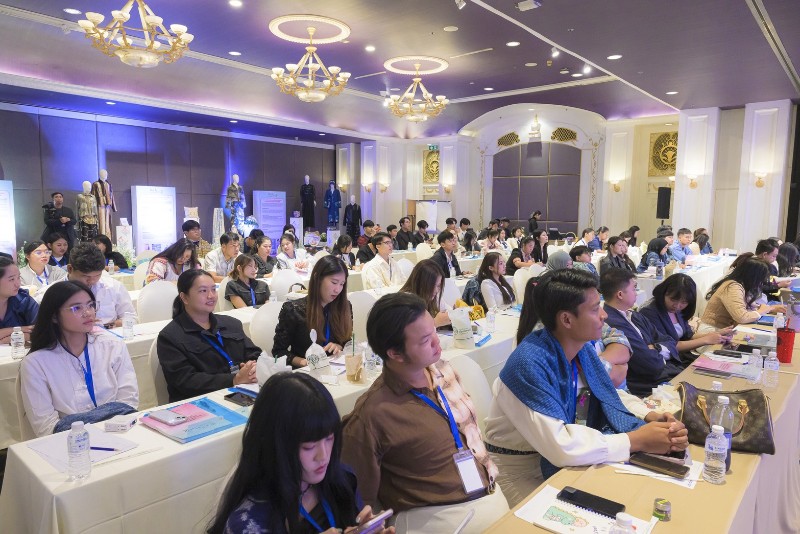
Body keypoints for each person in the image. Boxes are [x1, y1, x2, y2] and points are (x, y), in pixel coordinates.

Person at [483, 270, 687, 506]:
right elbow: (560, 446)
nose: (603, 315)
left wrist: (648, 415)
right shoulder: (528, 364)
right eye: (594, 309)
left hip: (565, 455)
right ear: (567, 320)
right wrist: (635, 440)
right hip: (522, 469)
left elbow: (605, 393)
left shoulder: (581, 350)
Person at [342, 292, 508, 532]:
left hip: (489, 495)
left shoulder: (442, 371)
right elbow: (360, 507)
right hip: (439, 518)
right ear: (395, 353)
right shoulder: (372, 415)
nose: (437, 342)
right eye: (425, 340)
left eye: (434, 331)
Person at [207, 373, 390, 534]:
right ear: (276, 447)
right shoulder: (248, 523)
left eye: (329, 439)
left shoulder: (342, 480)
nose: (323, 456)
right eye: (309, 447)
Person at [20, 280, 138, 437]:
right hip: (68, 443)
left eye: (90, 305)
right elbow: (45, 426)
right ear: (54, 316)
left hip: (120, 432)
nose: (88, 313)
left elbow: (128, 400)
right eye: (76, 308)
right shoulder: (35, 363)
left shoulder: (113, 346)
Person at [157, 269, 260, 402]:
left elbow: (254, 353)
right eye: (203, 291)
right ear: (184, 297)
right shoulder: (170, 337)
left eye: (213, 289)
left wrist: (253, 367)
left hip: (243, 392)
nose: (211, 296)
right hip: (200, 402)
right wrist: (234, 379)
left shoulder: (231, 324)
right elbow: (185, 380)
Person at [601, 269, 682, 396]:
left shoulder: (633, 315)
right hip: (649, 385)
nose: (636, 293)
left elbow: (669, 340)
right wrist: (661, 354)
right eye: (634, 289)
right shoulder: (614, 323)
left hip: (666, 373)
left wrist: (656, 347)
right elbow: (651, 365)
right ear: (620, 295)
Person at [273, 256, 353, 368]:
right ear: (317, 278)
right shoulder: (294, 310)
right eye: (334, 282)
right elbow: (278, 352)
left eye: (342, 284)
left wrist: (339, 346)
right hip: (306, 372)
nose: (338, 290)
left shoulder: (344, 307)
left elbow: (348, 342)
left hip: (336, 368)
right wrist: (303, 362)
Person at [640, 274, 732, 357]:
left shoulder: (678, 311)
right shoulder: (650, 313)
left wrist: (715, 334)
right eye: (673, 300)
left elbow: (688, 336)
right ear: (664, 293)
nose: (677, 306)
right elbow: (668, 346)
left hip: (680, 357)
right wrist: (706, 340)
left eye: (684, 302)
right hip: (666, 361)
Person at [700, 258, 785, 330]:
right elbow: (741, 317)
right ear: (753, 277)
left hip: (722, 331)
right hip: (711, 332)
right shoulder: (732, 287)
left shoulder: (741, 285)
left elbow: (748, 307)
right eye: (761, 279)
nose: (762, 283)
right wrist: (762, 311)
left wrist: (770, 308)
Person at [67, 243, 135, 328]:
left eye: (97, 275)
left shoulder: (113, 287)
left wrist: (108, 325)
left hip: (107, 333)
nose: (92, 281)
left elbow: (131, 318)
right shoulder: (55, 291)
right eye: (86, 276)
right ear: (70, 269)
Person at [400, 259, 451, 328]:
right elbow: (411, 332)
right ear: (420, 283)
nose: (436, 290)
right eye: (432, 285)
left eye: (438, 286)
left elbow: (448, 310)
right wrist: (435, 323)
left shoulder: (433, 296)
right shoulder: (405, 302)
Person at [0, 256, 38, 344]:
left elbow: (41, 331)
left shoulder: (23, 299)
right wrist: (20, 329)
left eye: (18, 277)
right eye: (11, 279)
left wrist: (10, 338)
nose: (18, 284)